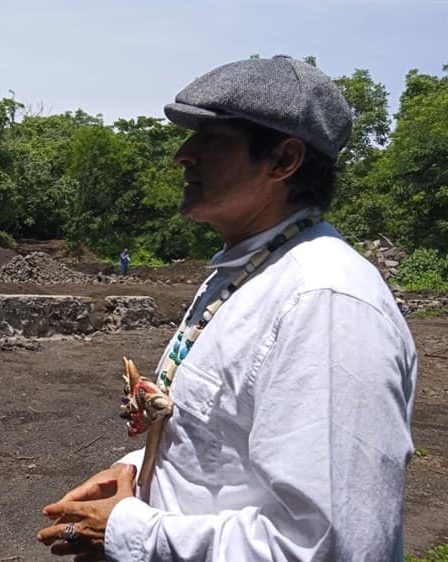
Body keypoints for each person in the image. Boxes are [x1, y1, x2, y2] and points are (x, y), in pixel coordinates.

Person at [37, 55, 417, 561]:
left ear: (283, 160)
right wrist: (138, 472)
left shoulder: (325, 305)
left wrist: (130, 532)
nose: (182, 155)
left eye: (211, 139)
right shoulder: (249, 271)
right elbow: (223, 441)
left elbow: (332, 547)